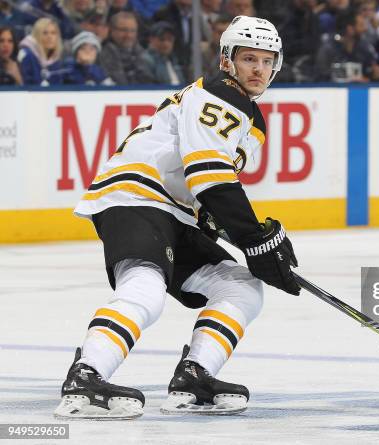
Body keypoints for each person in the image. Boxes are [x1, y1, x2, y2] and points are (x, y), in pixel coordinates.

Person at [54, 15, 299, 420]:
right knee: (146, 289)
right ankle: (86, 376)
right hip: (137, 196)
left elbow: (204, 188)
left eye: (267, 60)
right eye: (249, 59)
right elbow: (210, 177)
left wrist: (247, 236)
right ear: (227, 61)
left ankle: (194, 375)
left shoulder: (246, 116)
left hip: (174, 211)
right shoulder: (220, 96)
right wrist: (254, 237)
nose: (258, 69)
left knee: (241, 288)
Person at [315, 10, 379, 82]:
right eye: (361, 25)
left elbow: (370, 73)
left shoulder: (364, 48)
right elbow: (321, 78)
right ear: (350, 29)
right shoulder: (328, 49)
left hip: (360, 91)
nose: (365, 29)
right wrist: (346, 81)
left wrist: (375, 75)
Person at [99, 11, 153, 84]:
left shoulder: (141, 52)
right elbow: (120, 83)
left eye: (132, 31)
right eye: (124, 30)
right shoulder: (106, 52)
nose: (129, 35)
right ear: (112, 30)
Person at [18, 17, 66, 85]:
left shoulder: (56, 60)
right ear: (37, 35)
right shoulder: (26, 55)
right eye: (45, 33)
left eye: (53, 33)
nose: (50, 37)